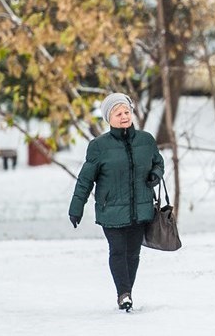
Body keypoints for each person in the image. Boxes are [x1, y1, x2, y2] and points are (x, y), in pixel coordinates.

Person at [68, 92, 164, 312]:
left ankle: (127, 292)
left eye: (126, 112)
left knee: (133, 254)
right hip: (110, 210)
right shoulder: (98, 147)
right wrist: (76, 208)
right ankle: (123, 294)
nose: (124, 116)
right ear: (108, 118)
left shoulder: (146, 140)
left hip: (140, 209)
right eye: (118, 113)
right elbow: (85, 180)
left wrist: (155, 175)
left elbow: (159, 163)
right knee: (118, 251)